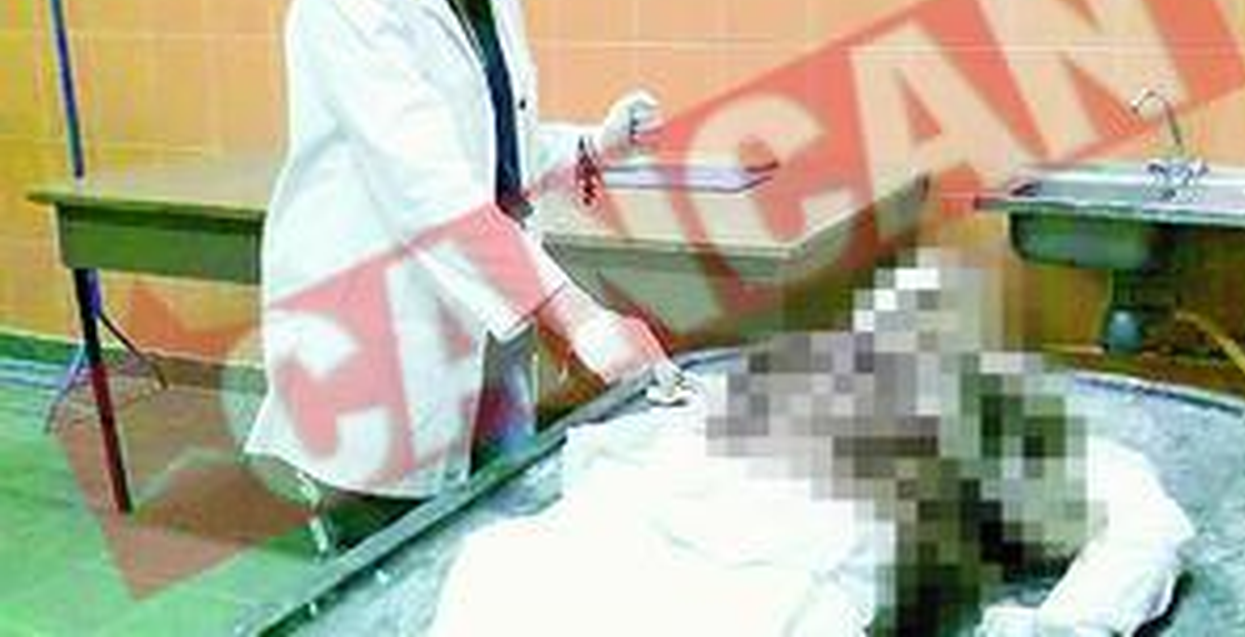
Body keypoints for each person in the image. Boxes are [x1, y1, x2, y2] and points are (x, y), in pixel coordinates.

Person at [427, 250, 1193, 636]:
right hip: (610, 546)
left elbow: (1144, 526)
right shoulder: (775, 390)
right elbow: (632, 460)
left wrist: (1066, 624)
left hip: (764, 596)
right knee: (503, 576)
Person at [244, 0, 680, 506]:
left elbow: (495, 148)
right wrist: (580, 319)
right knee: (396, 543)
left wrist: (593, 144)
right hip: (380, 331)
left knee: (499, 524)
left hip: (488, 335)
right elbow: (429, 183)